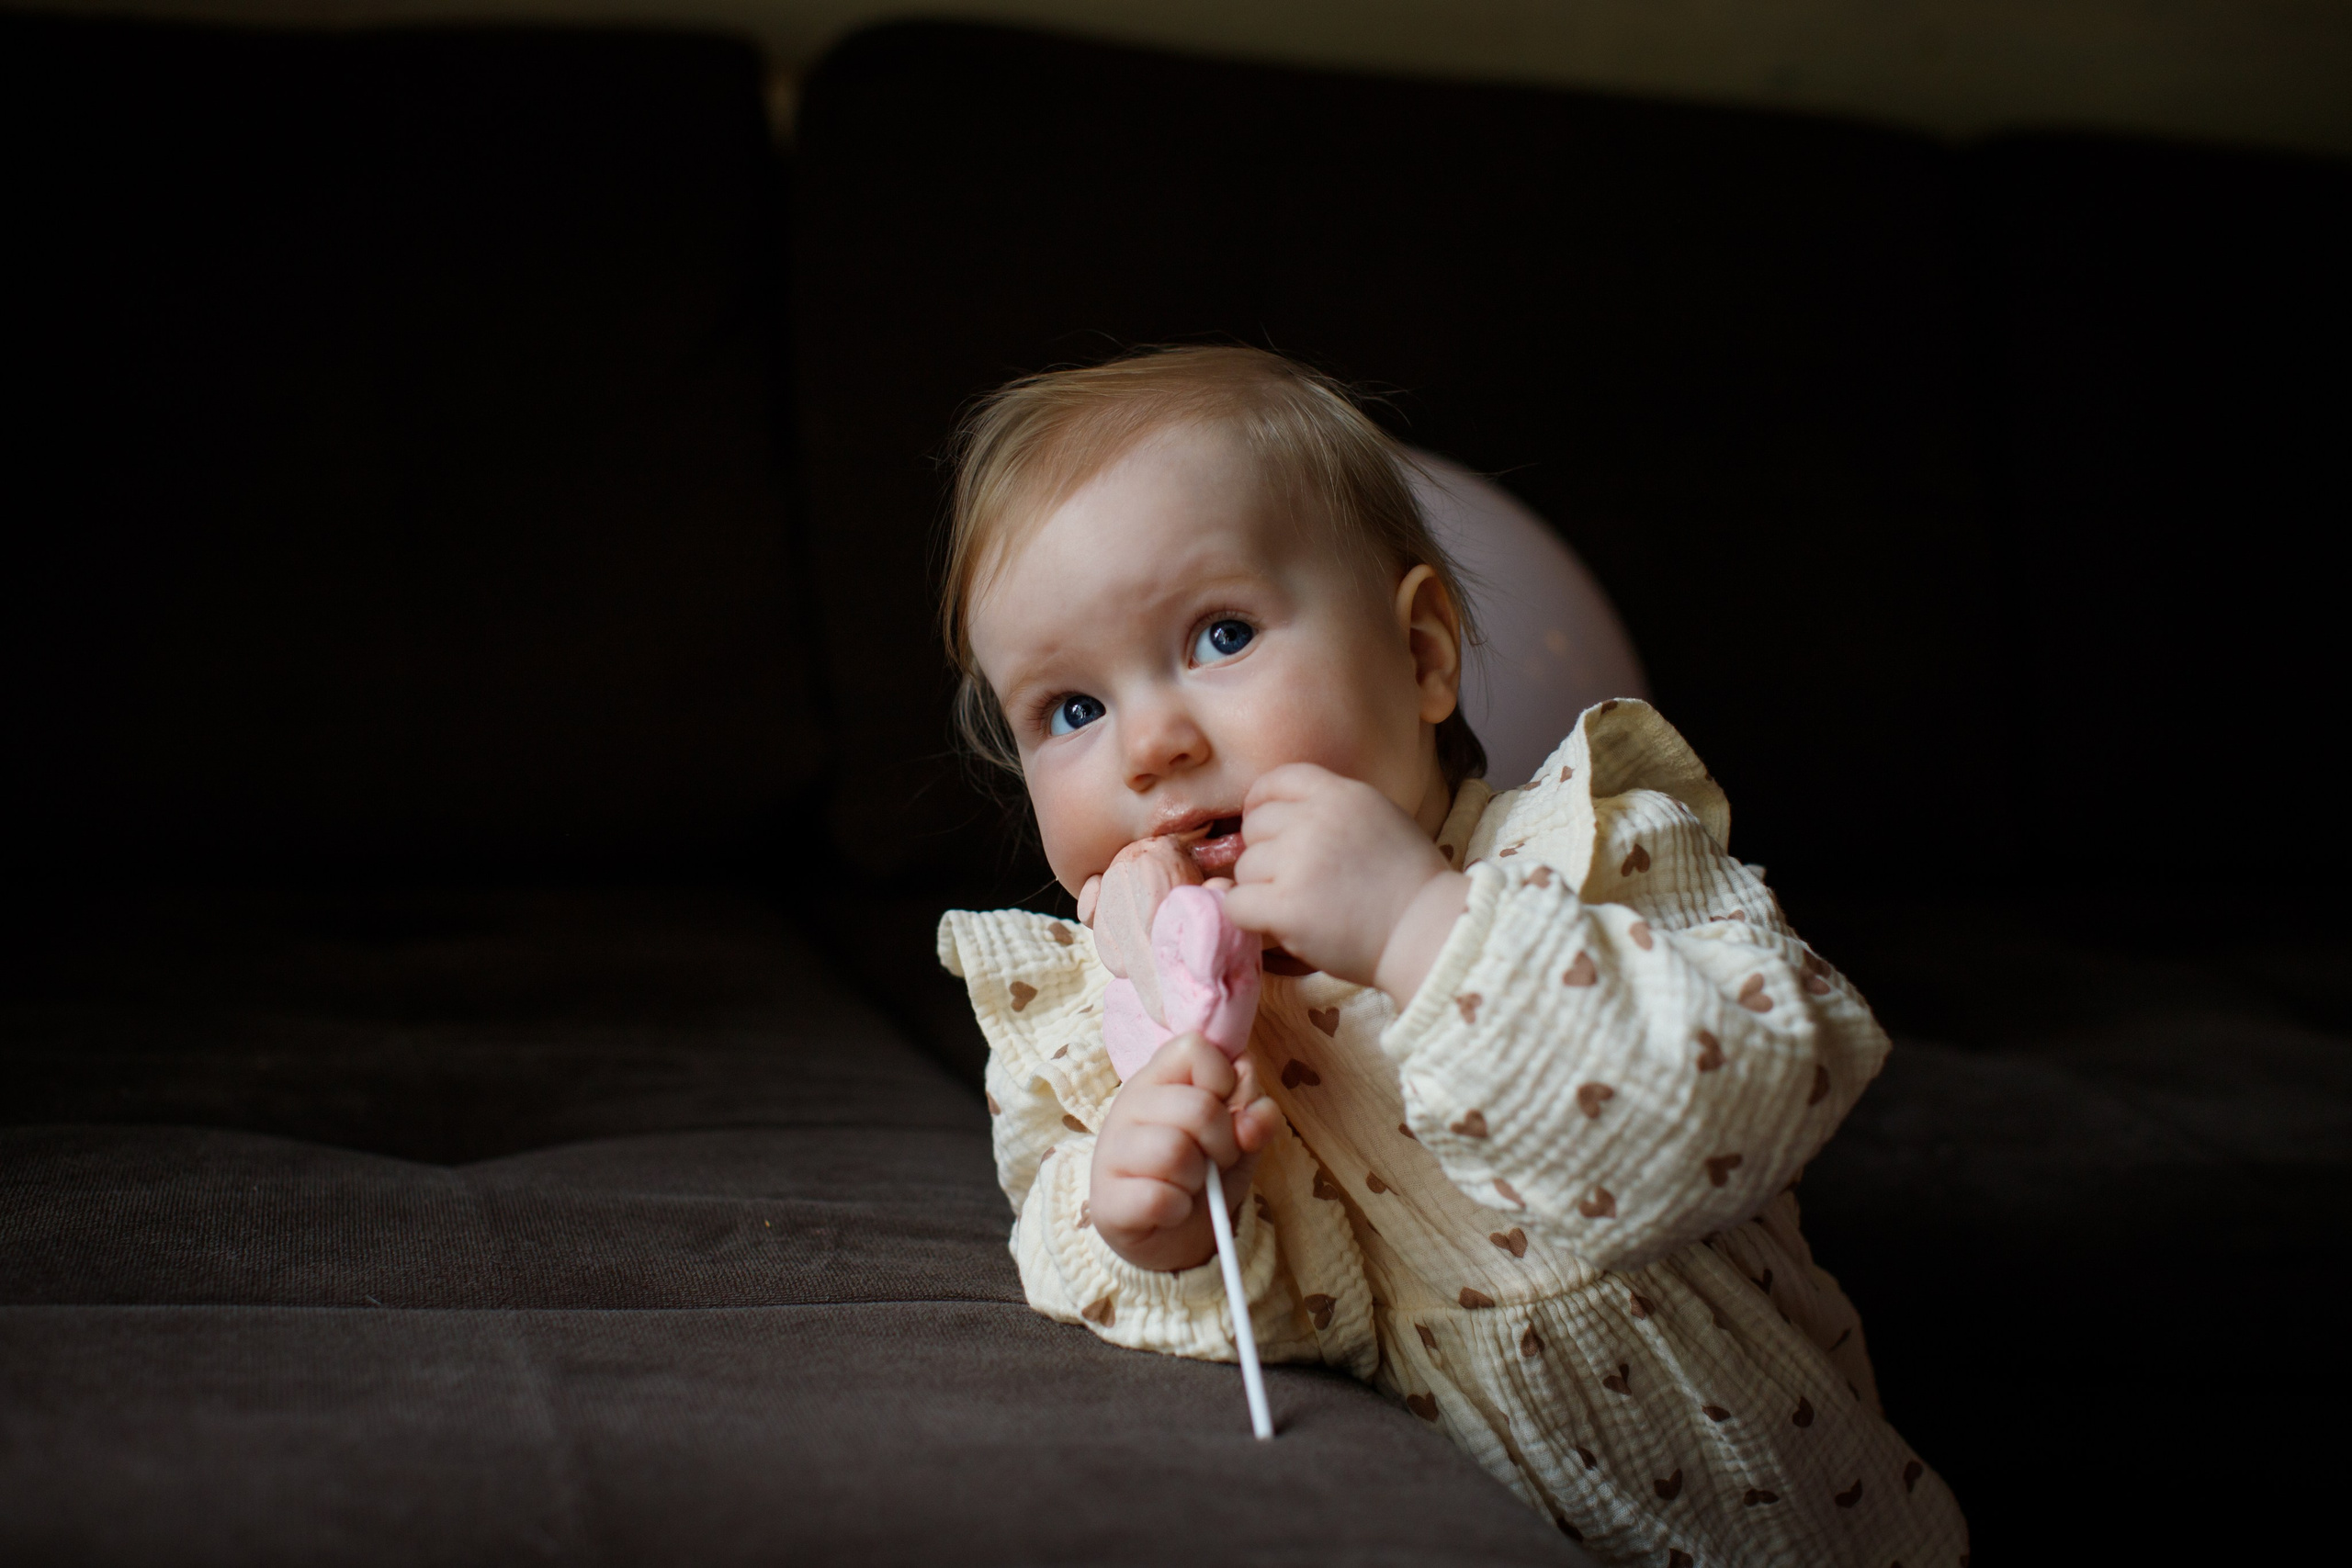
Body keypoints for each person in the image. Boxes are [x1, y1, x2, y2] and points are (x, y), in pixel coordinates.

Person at [933, 345, 1967, 1566]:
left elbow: (1762, 1087)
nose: (1149, 747)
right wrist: (1149, 1229)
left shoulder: (1579, 851)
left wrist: (1425, 932)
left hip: (1784, 1517)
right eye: (1071, 710)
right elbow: (1297, 1323)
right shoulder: (1111, 1018)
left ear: (1423, 655)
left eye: (1220, 633)